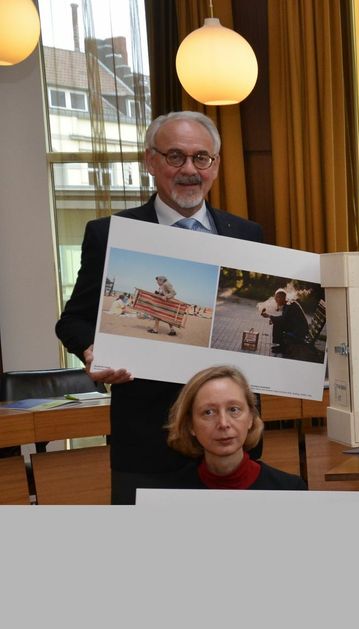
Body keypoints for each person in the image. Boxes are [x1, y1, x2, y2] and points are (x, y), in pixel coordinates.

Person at [55, 111, 267, 505]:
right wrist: (91, 349)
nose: (189, 169)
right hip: (148, 441)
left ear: (216, 165)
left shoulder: (247, 234)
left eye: (201, 158)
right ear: (151, 162)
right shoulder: (109, 234)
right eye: (175, 156)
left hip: (231, 445)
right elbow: (73, 321)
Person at [163, 366, 306, 491]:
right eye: (209, 412)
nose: (223, 423)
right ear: (190, 425)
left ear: (250, 418)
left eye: (233, 409)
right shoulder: (166, 493)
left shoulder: (290, 489)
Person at [261, 288, 310, 358]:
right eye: (275, 297)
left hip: (299, 332)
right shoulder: (288, 303)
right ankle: (280, 346)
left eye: (277, 298)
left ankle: (282, 347)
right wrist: (273, 319)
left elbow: (283, 320)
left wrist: (269, 316)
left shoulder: (289, 305)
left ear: (282, 298)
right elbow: (285, 319)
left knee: (277, 324)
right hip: (297, 328)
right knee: (277, 323)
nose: (275, 300)